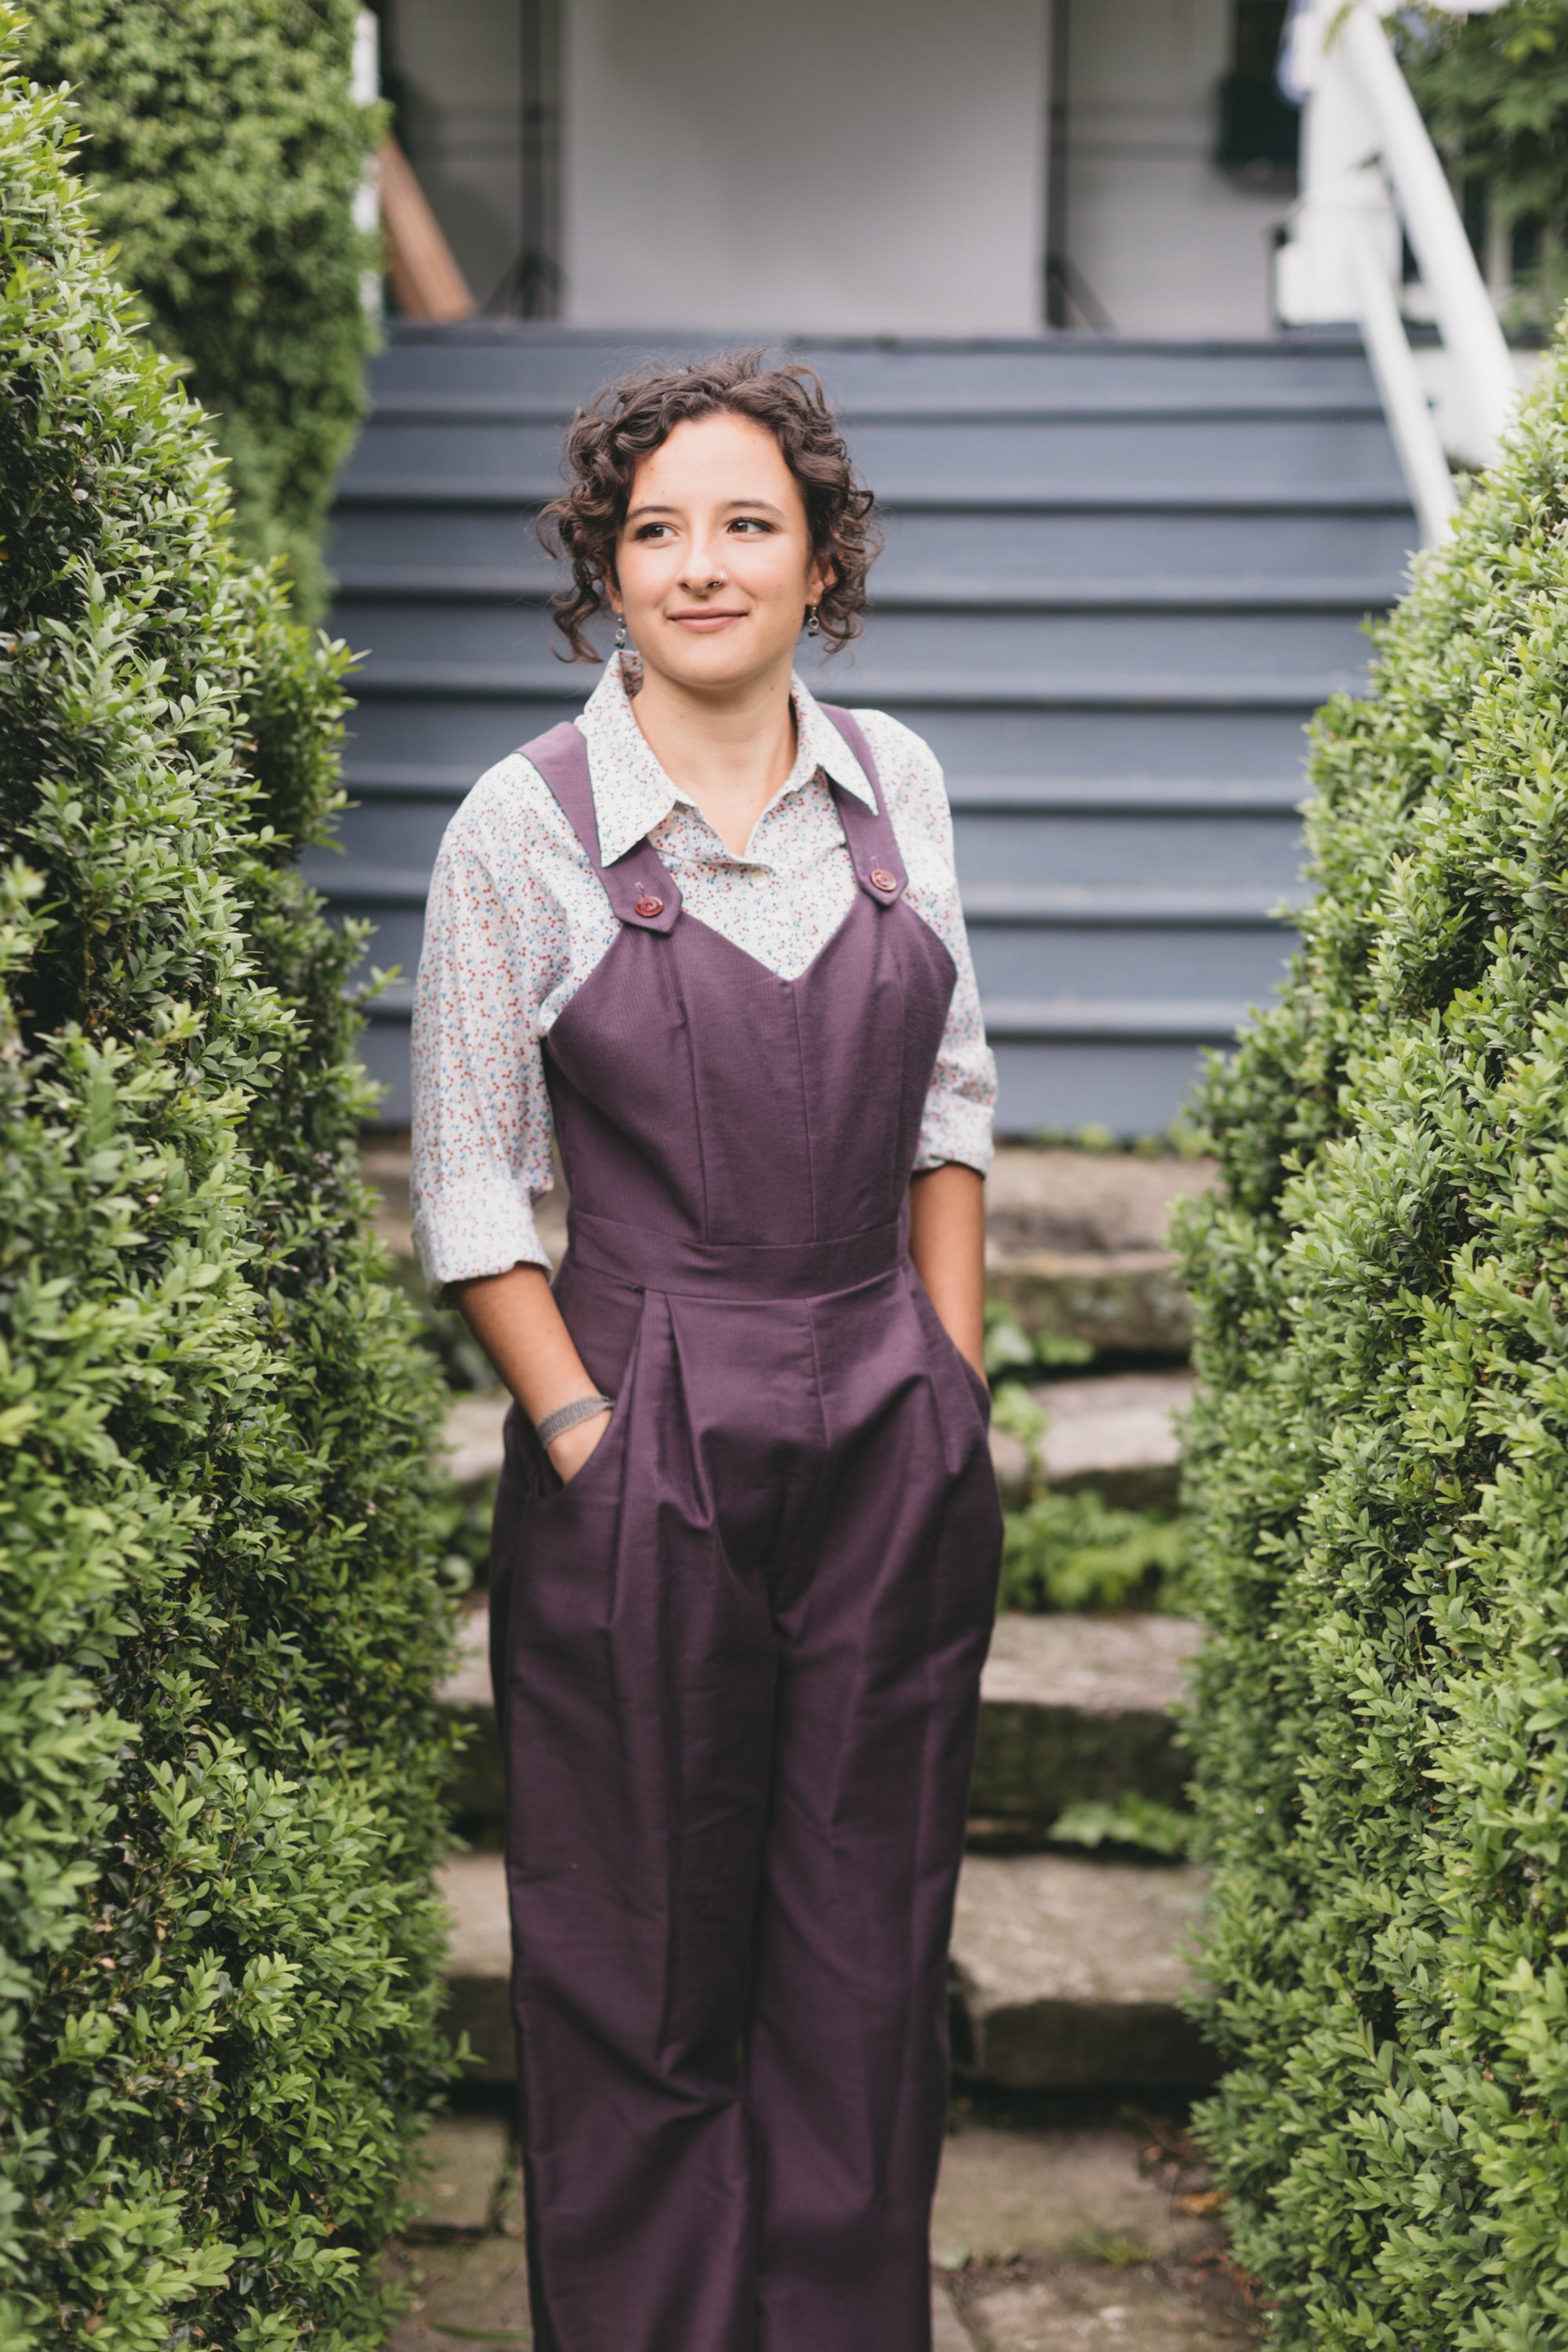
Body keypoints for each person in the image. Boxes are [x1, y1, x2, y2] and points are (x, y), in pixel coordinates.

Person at [411, 351, 1003, 2352]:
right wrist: (582, 1430)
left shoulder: (894, 785)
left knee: (860, 1949)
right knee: (643, 1963)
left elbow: (953, 1106)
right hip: (639, 1427)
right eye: (654, 528)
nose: (700, 562)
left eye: (745, 522)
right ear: (607, 567)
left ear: (818, 555)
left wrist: (954, 1385)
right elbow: (474, 1188)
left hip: (884, 1427)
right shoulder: (526, 823)